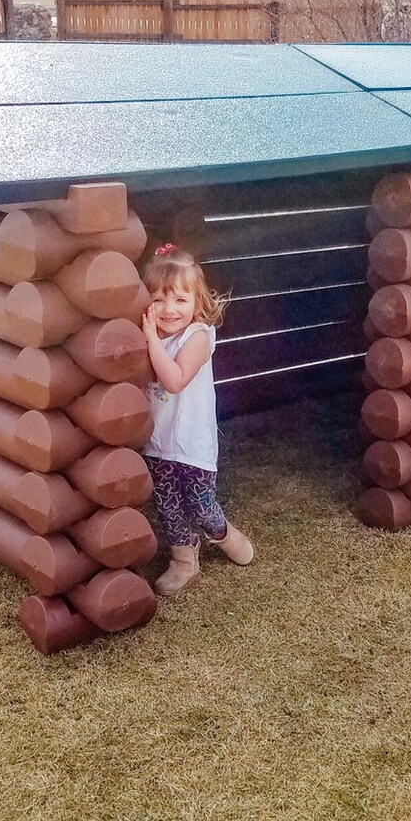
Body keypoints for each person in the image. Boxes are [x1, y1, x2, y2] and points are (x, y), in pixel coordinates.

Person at [140, 245, 254, 596]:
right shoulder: (150, 336)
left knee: (201, 506)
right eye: (158, 300)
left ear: (197, 301)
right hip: (158, 443)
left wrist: (149, 338)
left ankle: (222, 533)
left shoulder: (198, 337)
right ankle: (183, 561)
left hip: (192, 444)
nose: (169, 309)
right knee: (168, 506)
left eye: (180, 299)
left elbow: (173, 380)